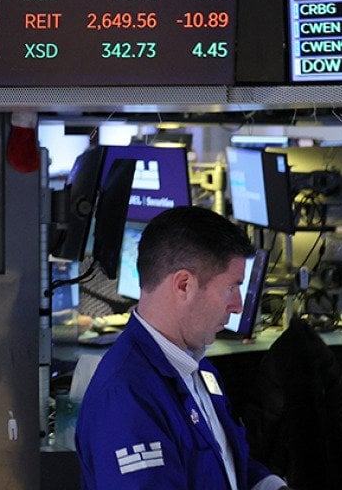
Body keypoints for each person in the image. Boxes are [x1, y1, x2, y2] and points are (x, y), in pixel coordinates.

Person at [75, 205, 288, 490]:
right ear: (184, 285)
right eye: (231, 287)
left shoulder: (197, 367)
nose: (237, 306)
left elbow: (227, 462)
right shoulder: (126, 397)